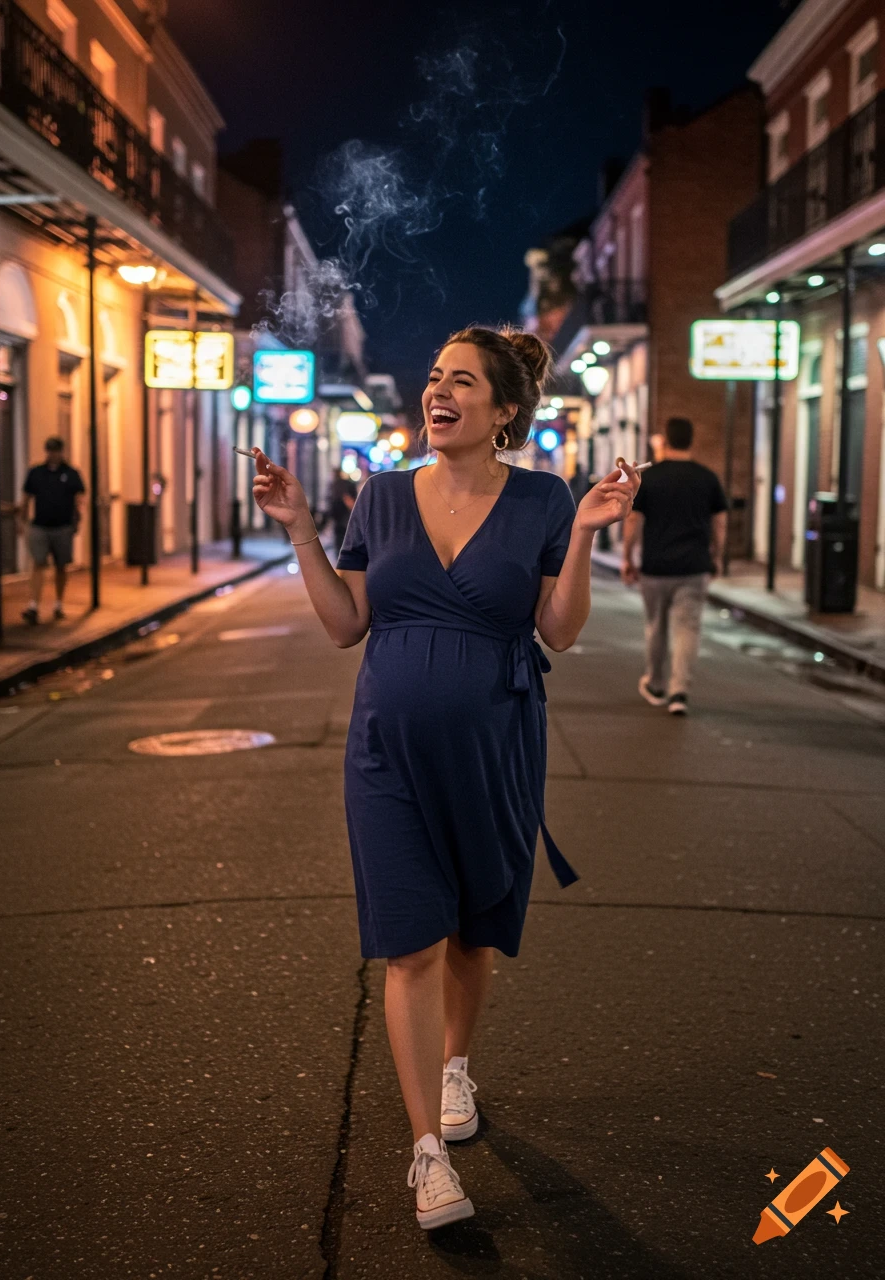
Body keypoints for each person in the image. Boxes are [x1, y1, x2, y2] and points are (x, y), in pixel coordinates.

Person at [251, 324, 638, 1229]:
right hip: (386, 748)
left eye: (461, 381)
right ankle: (427, 1151)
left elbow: (561, 630)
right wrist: (302, 527)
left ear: (503, 411)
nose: (439, 391)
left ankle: (456, 1066)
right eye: (433, 377)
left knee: (472, 930)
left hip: (498, 742)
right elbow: (347, 624)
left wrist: (582, 534)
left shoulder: (545, 499)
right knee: (412, 942)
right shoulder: (383, 497)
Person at [621, 416, 727, 716]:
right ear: (691, 441)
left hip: (655, 567)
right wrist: (717, 556)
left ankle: (655, 683)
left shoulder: (651, 478)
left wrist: (628, 557)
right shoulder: (707, 478)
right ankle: (679, 691)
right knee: (688, 629)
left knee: (656, 626)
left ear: (665, 440)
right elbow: (719, 523)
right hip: (694, 567)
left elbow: (634, 520)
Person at [18, 437, 86, 624]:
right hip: (40, 525)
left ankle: (58, 603)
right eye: (50, 450)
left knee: (61, 566)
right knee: (38, 563)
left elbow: (79, 498)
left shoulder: (71, 474)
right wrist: (22, 520)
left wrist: (77, 519)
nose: (53, 454)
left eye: (56, 450)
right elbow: (26, 497)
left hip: (62, 526)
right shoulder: (36, 472)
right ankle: (33, 605)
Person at [328, 467, 358, 554]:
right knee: (345, 540)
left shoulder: (335, 484)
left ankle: (340, 560)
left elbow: (346, 499)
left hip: (339, 517)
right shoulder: (346, 483)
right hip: (345, 517)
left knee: (339, 540)